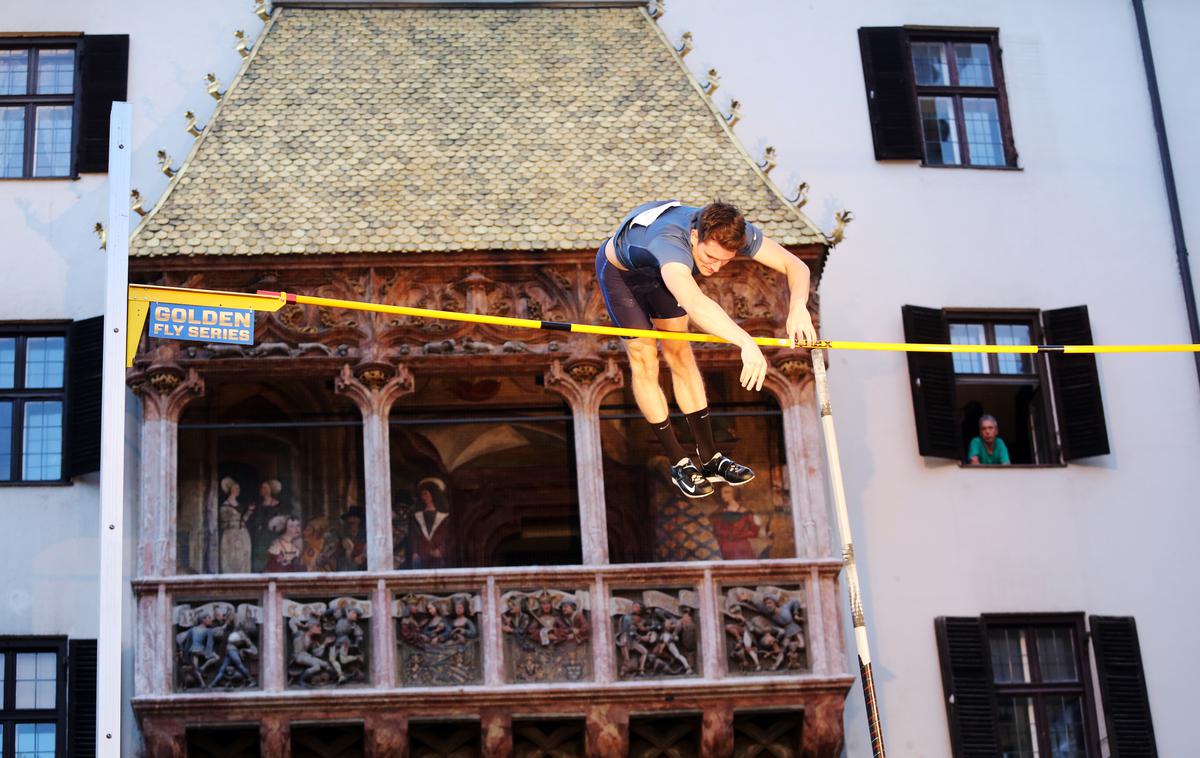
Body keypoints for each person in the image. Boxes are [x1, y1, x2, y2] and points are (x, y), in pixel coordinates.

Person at [596, 200, 816, 498]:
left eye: (725, 261)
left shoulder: (734, 232)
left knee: (680, 354)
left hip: (665, 276)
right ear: (695, 236)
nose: (715, 267)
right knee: (645, 359)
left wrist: (798, 306)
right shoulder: (670, 245)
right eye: (710, 257)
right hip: (622, 277)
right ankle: (678, 461)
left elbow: (796, 265)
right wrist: (745, 342)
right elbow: (695, 303)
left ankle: (711, 459)